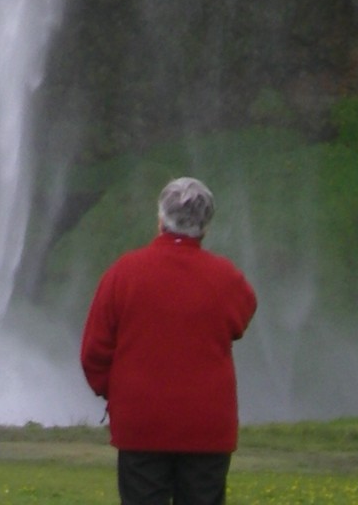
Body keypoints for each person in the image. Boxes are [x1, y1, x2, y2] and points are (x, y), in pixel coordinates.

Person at [79, 178, 257, 505]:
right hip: (207, 425)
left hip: (140, 423)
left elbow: (94, 352)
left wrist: (118, 392)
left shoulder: (123, 273)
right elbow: (242, 317)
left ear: (161, 220)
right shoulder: (226, 278)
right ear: (205, 227)